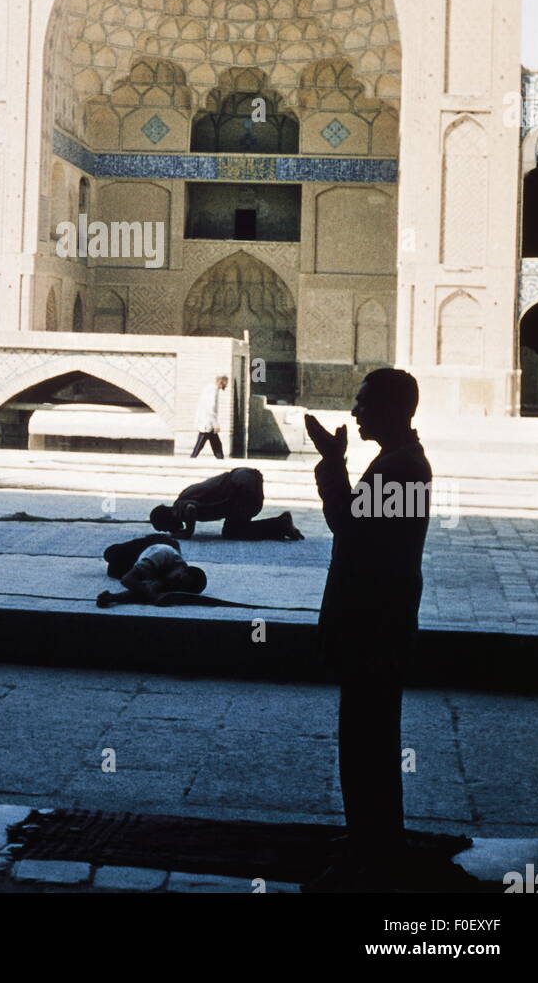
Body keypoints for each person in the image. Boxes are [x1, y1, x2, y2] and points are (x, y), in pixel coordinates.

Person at [301, 368, 432, 894]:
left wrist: (332, 466)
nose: (355, 413)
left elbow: (349, 528)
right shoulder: (398, 462)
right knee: (371, 741)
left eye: (363, 403)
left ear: (393, 409)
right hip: (379, 620)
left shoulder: (401, 469)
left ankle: (371, 859)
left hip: (374, 626)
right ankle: (374, 843)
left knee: (366, 745)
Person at [150, 467, 303, 541]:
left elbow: (191, 509)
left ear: (167, 520)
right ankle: (280, 523)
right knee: (234, 528)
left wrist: (188, 532)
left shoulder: (179, 507)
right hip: (245, 478)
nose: (168, 531)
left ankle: (281, 524)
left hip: (239, 488)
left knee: (232, 533)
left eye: (165, 529)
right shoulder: (183, 495)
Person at [96, 535, 207, 607]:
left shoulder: (176, 580)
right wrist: (154, 597)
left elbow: (142, 590)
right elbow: (127, 579)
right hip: (156, 545)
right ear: (183, 567)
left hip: (154, 558)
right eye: (178, 578)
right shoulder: (163, 553)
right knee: (110, 555)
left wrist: (113, 598)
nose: (174, 582)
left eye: (179, 585)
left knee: (119, 572)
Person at [191, 375, 227, 458]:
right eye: (225, 383)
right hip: (207, 423)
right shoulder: (213, 390)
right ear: (221, 382)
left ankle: (220, 459)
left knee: (216, 444)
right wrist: (215, 424)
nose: (226, 386)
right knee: (201, 444)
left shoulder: (209, 388)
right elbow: (211, 409)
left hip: (206, 422)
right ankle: (192, 459)